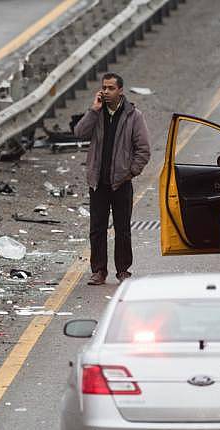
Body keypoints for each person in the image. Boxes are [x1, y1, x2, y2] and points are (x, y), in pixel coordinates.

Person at [74, 72, 150, 285]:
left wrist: (130, 172)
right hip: (98, 182)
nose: (106, 92)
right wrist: (93, 110)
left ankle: (123, 270)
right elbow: (79, 133)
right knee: (97, 229)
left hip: (121, 182)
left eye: (110, 88)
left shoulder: (134, 116)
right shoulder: (97, 113)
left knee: (123, 229)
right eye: (104, 88)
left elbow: (143, 149)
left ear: (120, 91)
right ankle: (98, 270)